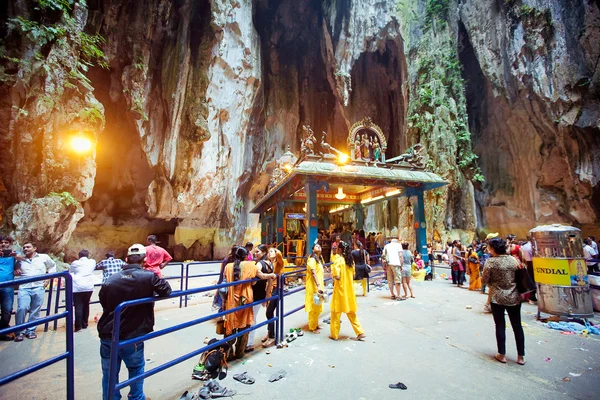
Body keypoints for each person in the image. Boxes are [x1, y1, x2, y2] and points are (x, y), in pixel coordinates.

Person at [98, 243, 172, 400]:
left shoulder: (111, 279)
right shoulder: (148, 277)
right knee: (136, 367)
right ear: (144, 260)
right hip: (132, 333)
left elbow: (103, 301)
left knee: (109, 373)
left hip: (107, 332)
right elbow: (166, 290)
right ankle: (136, 397)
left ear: (126, 259)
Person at [223, 246, 275, 360]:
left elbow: (224, 284)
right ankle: (240, 352)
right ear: (246, 256)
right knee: (244, 325)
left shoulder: (228, 266)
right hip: (245, 299)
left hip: (231, 301)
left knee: (230, 326)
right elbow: (261, 276)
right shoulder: (250, 265)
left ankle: (228, 353)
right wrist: (272, 275)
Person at [482, 237, 526, 365]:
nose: (488, 249)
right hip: (514, 297)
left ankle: (502, 354)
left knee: (500, 325)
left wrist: (493, 284)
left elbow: (484, 281)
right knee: (517, 326)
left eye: (489, 246)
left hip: (497, 298)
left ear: (493, 248)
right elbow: (519, 276)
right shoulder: (513, 260)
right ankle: (521, 356)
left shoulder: (490, 263)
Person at [15, 242, 56, 342]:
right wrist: (16, 269)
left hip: (38, 286)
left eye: (28, 247)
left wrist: (49, 278)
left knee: (35, 309)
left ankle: (30, 331)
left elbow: (52, 266)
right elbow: (15, 269)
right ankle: (19, 331)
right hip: (24, 287)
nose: (25, 249)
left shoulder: (43, 257)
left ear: (35, 248)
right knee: (22, 308)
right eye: (24, 247)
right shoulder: (20, 259)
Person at [329, 242, 366, 341]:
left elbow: (337, 276)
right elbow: (353, 275)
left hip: (340, 290)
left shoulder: (339, 261)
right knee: (351, 312)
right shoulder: (350, 262)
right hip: (349, 291)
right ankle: (360, 332)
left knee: (335, 313)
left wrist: (332, 274)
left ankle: (334, 335)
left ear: (340, 250)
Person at [246, 244, 274, 352]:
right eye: (255, 252)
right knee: (253, 317)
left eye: (257, 252)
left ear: (264, 253)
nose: (255, 254)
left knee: (251, 318)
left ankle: (249, 343)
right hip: (261, 294)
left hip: (253, 294)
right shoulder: (270, 264)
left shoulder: (258, 264)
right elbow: (270, 281)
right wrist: (267, 295)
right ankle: (249, 342)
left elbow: (255, 280)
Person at [70, 250, 97, 332]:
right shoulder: (92, 262)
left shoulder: (75, 263)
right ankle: (85, 324)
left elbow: (70, 271)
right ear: (88, 255)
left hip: (77, 287)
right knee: (86, 305)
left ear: (79, 256)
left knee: (78, 306)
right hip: (89, 287)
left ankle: (78, 327)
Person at [0, 236, 20, 340]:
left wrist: (16, 257)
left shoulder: (13, 254)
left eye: (6, 242)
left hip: (8, 286)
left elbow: (22, 261)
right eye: (1, 242)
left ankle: (3, 331)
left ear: (10, 244)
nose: (3, 244)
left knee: (7, 310)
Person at [263, 247, 284, 347]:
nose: (269, 253)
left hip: (276, 290)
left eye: (271, 252)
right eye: (268, 251)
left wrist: (275, 251)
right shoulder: (268, 263)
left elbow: (280, 256)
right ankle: (269, 332)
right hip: (270, 290)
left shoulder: (279, 263)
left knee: (269, 312)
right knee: (268, 312)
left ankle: (272, 336)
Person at [305, 243, 325, 334]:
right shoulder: (312, 259)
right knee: (313, 306)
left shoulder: (319, 259)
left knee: (318, 305)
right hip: (314, 285)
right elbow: (313, 273)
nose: (319, 247)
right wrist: (318, 285)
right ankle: (312, 327)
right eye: (316, 246)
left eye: (319, 246)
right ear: (313, 250)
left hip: (319, 285)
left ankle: (316, 324)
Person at [520, 237, 537, 303]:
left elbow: (522, 256)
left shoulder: (524, 246)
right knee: (533, 279)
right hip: (533, 263)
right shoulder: (532, 246)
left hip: (528, 263)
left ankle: (531, 295)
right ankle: (532, 296)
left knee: (530, 279)